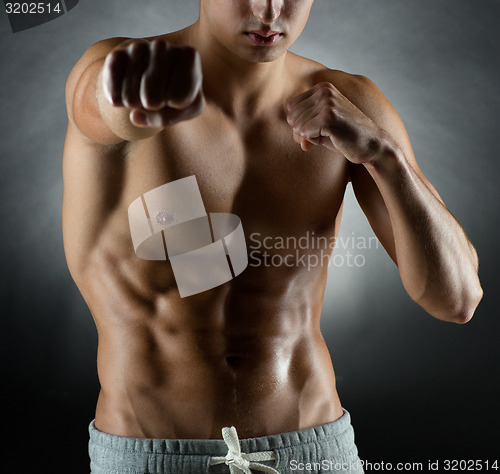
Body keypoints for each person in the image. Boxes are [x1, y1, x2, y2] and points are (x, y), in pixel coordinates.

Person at [63, 0, 483, 472]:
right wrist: (122, 96)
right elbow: (97, 101)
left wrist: (385, 157)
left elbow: (458, 300)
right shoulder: (123, 69)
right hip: (155, 457)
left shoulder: (349, 102)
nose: (269, 9)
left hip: (315, 452)